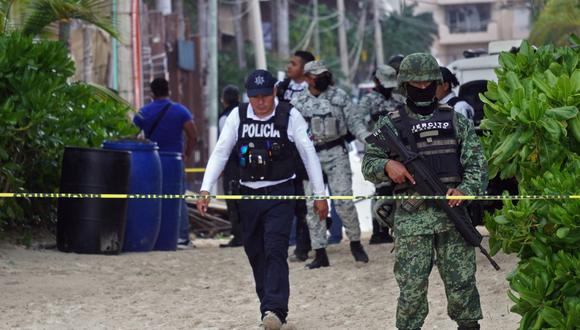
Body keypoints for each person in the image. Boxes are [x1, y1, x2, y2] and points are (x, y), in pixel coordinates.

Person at [362, 53, 487, 330]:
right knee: (411, 290)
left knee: (462, 284)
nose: (421, 87)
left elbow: (477, 163)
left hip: (453, 218)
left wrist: (466, 189)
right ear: (404, 85)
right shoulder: (390, 124)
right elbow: (368, 165)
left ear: (436, 83)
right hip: (411, 219)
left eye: (427, 82)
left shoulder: (455, 120)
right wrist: (387, 165)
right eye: (414, 83)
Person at [197, 69, 328, 329]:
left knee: (275, 248)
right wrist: (205, 188)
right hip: (247, 195)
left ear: (274, 92)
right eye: (254, 97)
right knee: (255, 251)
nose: (260, 102)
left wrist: (319, 195)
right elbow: (221, 152)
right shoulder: (238, 115)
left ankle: (275, 309)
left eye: (265, 96)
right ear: (248, 96)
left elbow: (308, 154)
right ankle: (267, 305)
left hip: (280, 193)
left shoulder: (290, 115)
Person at [291, 60, 370, 269]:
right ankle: (319, 252)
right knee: (312, 205)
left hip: (336, 153)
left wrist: (372, 141)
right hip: (310, 157)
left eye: (324, 74)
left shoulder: (339, 96)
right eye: (317, 75)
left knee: (344, 200)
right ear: (307, 78)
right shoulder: (297, 102)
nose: (323, 78)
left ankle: (355, 242)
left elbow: (356, 124)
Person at [134, 77, 197, 249]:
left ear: (152, 93)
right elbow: (193, 135)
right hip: (174, 161)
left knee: (152, 199)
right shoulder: (181, 111)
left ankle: (153, 235)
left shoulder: (144, 112)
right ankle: (182, 237)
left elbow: (131, 135)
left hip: (151, 160)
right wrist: (187, 154)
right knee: (177, 199)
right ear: (168, 90)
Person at [356, 65, 402, 245]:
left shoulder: (398, 99)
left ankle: (394, 225)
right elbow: (357, 122)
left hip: (398, 150)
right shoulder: (367, 101)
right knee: (381, 189)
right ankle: (378, 229)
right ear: (376, 81)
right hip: (377, 151)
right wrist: (369, 139)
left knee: (396, 189)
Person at [277, 50, 315, 262]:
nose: (289, 66)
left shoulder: (313, 89)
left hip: (306, 152)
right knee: (286, 200)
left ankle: (305, 245)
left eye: (293, 63)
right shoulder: (282, 88)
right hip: (285, 151)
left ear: (304, 68)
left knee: (306, 201)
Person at [218, 85, 243, 248]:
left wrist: (221, 166)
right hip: (248, 163)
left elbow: (225, 146)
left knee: (233, 200)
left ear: (224, 101)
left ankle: (239, 235)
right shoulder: (247, 113)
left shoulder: (225, 118)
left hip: (233, 164)